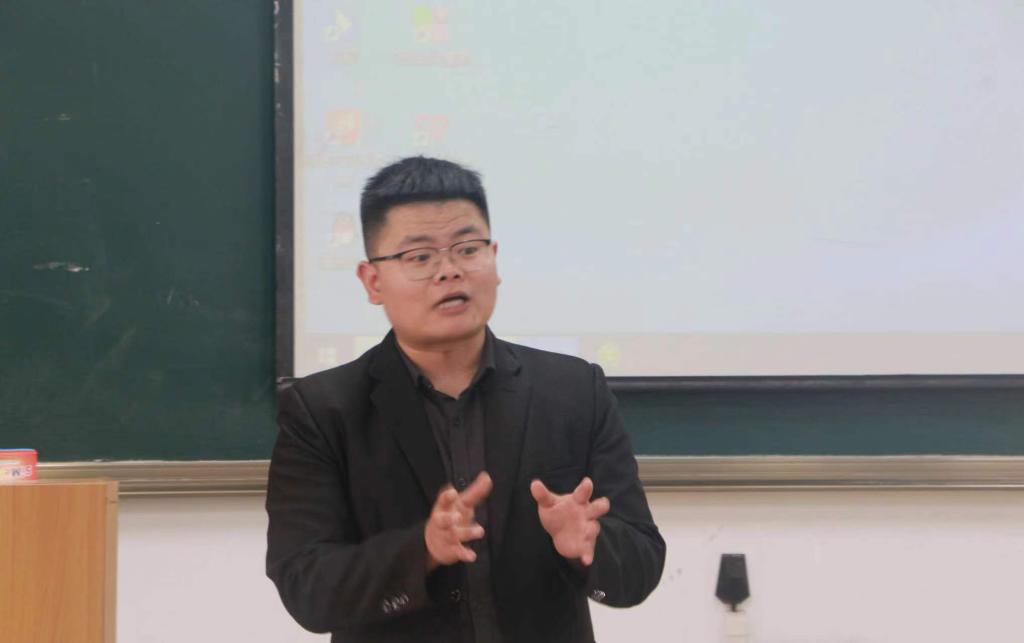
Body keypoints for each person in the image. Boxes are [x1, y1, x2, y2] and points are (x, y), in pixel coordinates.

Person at [265, 157, 665, 643]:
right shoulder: (323, 411)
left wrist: (588, 546)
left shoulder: (574, 390)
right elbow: (306, 587)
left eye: (468, 249)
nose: (449, 271)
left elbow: (641, 566)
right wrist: (423, 550)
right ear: (373, 282)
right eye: (419, 257)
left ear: (494, 258)